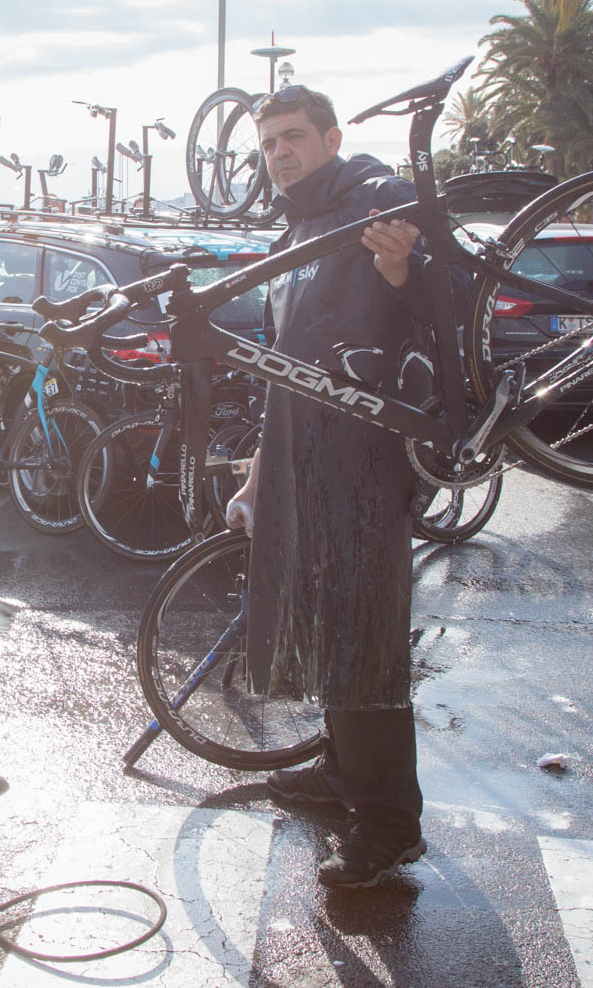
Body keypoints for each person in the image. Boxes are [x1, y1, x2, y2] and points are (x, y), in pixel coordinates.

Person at [222, 85, 427, 889]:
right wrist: (262, 471)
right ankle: (343, 772)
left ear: (333, 137)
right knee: (330, 619)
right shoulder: (300, 224)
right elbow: (287, 375)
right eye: (269, 142)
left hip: (365, 461)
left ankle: (389, 824)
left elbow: (414, 254)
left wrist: (400, 256)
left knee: (365, 629)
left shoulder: (365, 195)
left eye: (294, 137)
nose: (279, 152)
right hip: (308, 458)